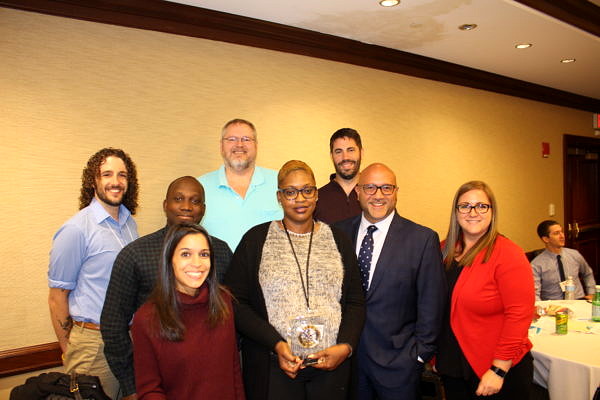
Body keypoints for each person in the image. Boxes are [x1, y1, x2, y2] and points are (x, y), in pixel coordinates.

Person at [225, 160, 365, 400]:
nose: (300, 199)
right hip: (275, 366)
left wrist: (345, 347)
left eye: (307, 190)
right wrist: (276, 344)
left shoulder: (338, 240)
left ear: (316, 194)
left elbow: (355, 301)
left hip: (330, 367)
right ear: (279, 197)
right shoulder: (256, 240)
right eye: (290, 192)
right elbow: (235, 302)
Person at [101, 176, 233, 399]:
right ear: (165, 205)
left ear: (203, 209)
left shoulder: (219, 251)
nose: (186, 206)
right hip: (157, 380)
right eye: (178, 199)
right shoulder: (135, 254)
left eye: (195, 200)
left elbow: (232, 316)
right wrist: (132, 386)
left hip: (210, 379)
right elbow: (113, 325)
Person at [336, 163, 446, 400]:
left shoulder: (422, 239)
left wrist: (419, 355)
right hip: (347, 362)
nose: (378, 195)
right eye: (370, 188)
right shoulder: (337, 233)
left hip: (399, 365)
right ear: (358, 192)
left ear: (396, 192)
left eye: (386, 188)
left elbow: (432, 302)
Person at [48, 148, 139, 400]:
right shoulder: (76, 230)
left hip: (127, 340)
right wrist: (69, 348)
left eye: (122, 175)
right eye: (107, 174)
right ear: (93, 181)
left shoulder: (130, 224)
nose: (116, 182)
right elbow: (57, 296)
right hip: (93, 344)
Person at [436, 181, 535, 399]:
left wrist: (498, 369)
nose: (473, 212)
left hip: (496, 371)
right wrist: (436, 357)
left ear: (492, 211)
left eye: (481, 206)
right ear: (456, 212)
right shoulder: (443, 250)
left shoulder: (508, 254)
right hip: (453, 367)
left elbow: (519, 315)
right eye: (465, 206)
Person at [131, 224, 244, 399]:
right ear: (170, 259)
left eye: (204, 254)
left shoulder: (223, 301)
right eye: (186, 254)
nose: (197, 263)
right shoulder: (147, 318)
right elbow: (149, 390)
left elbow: (233, 369)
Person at [198, 118, 282, 250]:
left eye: (246, 139)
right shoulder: (200, 186)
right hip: (218, 269)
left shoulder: (280, 182)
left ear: (256, 145)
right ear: (221, 146)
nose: (239, 144)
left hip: (269, 269)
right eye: (231, 139)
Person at [531, 220, 596, 300]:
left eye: (562, 232)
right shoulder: (537, 264)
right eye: (556, 233)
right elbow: (535, 293)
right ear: (546, 239)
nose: (562, 236)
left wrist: (592, 293)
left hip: (578, 300)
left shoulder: (574, 254)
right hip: (555, 305)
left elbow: (587, 273)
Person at [314, 128, 363, 224]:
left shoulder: (374, 195)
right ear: (331, 156)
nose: (345, 157)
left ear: (361, 152)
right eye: (338, 151)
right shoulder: (317, 199)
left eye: (351, 150)